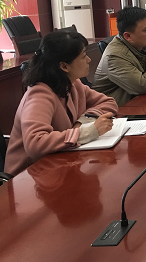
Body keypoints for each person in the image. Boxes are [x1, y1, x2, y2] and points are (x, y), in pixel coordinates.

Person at [5, 31, 118, 176]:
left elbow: (108, 102)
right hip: (28, 176)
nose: (89, 60)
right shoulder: (40, 94)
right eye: (83, 56)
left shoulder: (73, 84)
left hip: (59, 164)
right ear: (64, 66)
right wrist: (87, 132)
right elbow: (35, 143)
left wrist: (82, 122)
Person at [93, 6, 146, 106]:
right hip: (114, 110)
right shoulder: (114, 56)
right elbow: (143, 87)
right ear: (128, 36)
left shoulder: (142, 46)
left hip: (138, 103)